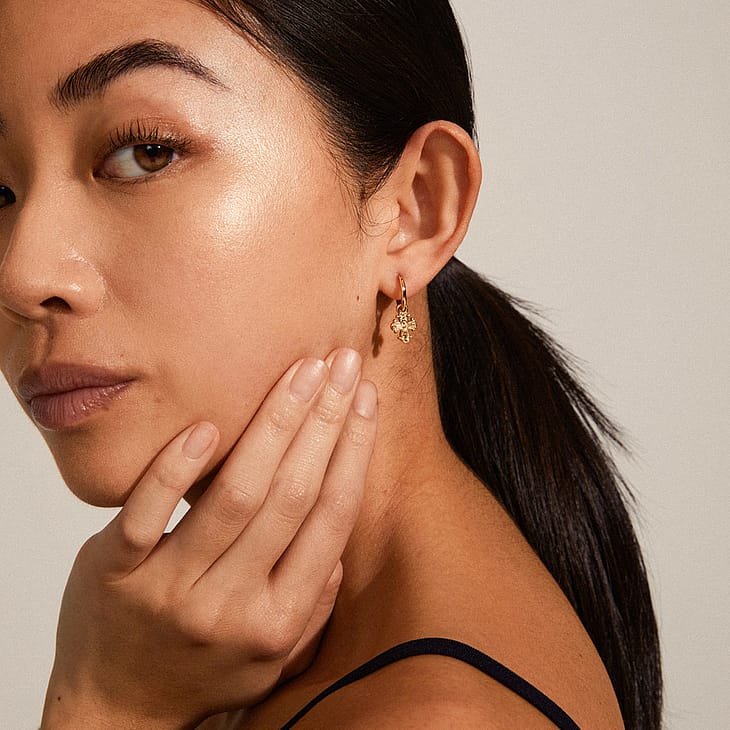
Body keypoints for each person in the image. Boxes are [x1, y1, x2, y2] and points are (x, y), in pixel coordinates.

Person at [0, 1, 662, 728]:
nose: (22, 275)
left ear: (413, 209)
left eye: (144, 153)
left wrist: (106, 704)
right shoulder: (222, 657)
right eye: (0, 191)